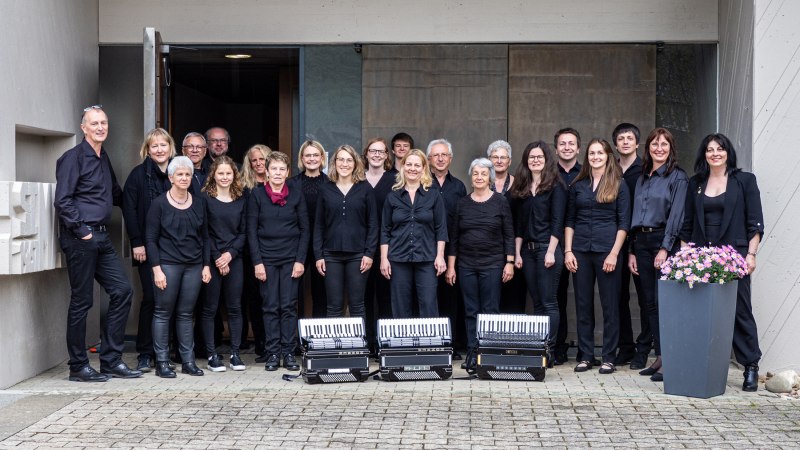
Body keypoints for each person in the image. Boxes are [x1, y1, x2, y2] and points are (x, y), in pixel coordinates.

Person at [54, 105, 141, 382]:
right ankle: (78, 366)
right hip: (81, 238)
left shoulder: (103, 157)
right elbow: (63, 200)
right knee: (82, 302)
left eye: (104, 122)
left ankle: (111, 360)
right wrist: (83, 231)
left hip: (101, 237)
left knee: (122, 290)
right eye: (94, 123)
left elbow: (116, 193)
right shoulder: (73, 158)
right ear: (84, 128)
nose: (100, 127)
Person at [679, 133, 764, 392]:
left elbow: (755, 222)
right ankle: (698, 366)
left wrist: (751, 255)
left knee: (739, 312)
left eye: (720, 149)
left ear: (728, 152)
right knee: (701, 313)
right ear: (703, 154)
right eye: (709, 149)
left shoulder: (745, 181)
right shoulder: (695, 183)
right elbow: (688, 224)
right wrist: (685, 258)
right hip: (702, 257)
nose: (715, 153)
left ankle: (750, 366)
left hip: (734, 257)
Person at [564, 138, 630, 375]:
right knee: (582, 305)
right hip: (580, 250)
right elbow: (569, 220)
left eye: (600, 153)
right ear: (587, 157)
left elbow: (623, 224)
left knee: (610, 305)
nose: (595, 157)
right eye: (592, 153)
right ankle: (586, 355)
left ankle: (609, 357)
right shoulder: (578, 185)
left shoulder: (619, 184)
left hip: (607, 251)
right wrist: (568, 250)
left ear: (608, 156)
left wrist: (614, 253)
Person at [627, 128, 688, 382]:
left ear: (670, 148)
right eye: (655, 144)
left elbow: (677, 216)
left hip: (664, 241)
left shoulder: (678, 177)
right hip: (640, 242)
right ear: (648, 148)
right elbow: (633, 215)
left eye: (664, 144)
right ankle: (660, 357)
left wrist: (665, 248)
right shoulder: (643, 177)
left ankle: (669, 359)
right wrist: (631, 249)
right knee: (650, 304)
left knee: (665, 304)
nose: (659, 148)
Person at [145, 156, 211, 378]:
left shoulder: (200, 202)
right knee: (163, 313)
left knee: (186, 314)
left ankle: (188, 361)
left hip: (193, 266)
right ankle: (162, 362)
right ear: (171, 177)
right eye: (179, 174)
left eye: (188, 174)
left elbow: (205, 237)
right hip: (168, 265)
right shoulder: (159, 204)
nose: (184, 178)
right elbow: (151, 239)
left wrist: (206, 265)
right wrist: (156, 269)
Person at [446, 158, 514, 370]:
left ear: (490, 177)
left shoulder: (500, 201)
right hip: (466, 265)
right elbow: (454, 237)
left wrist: (509, 262)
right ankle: (473, 353)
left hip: (493, 264)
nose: (479, 177)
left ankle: (489, 354)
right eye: (475, 173)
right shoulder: (462, 203)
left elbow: (509, 234)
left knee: (490, 309)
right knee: (470, 310)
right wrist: (451, 266)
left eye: (483, 174)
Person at [247, 151, 309, 371]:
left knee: (288, 306)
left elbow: (304, 229)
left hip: (291, 259)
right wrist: (257, 262)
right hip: (267, 259)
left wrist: (300, 260)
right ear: (266, 170)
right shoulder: (257, 195)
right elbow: (251, 231)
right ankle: (273, 353)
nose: (278, 173)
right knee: (270, 306)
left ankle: (289, 353)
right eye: (274, 168)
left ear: (287, 172)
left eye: (282, 169)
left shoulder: (296, 194)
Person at [508, 141, 568, 366]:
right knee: (537, 304)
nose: (535, 160)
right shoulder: (521, 189)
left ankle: (549, 350)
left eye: (539, 157)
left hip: (547, 249)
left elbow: (557, 221)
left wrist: (551, 251)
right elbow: (519, 225)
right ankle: (539, 349)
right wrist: (517, 253)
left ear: (546, 160)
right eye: (531, 157)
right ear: (526, 161)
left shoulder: (556, 186)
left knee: (549, 302)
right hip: (528, 251)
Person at [122, 127, 175, 372]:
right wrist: (137, 242)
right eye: (154, 146)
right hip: (147, 246)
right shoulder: (137, 175)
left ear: (170, 147)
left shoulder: (179, 172)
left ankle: (165, 351)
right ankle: (145, 352)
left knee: (172, 301)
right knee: (152, 299)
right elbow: (129, 210)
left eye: (163, 145)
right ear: (147, 149)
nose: (159, 149)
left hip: (175, 248)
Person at [380, 149, 447, 318]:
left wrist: (440, 256)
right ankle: (403, 344)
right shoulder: (392, 196)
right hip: (398, 259)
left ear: (424, 168)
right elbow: (385, 230)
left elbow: (441, 228)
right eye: (408, 164)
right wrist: (383, 259)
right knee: (400, 306)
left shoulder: (433, 195)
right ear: (403, 167)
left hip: (426, 259)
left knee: (429, 304)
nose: (412, 168)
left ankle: (430, 343)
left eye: (417, 165)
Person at [314, 145, 378, 318]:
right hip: (331, 254)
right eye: (340, 159)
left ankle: (359, 345)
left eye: (349, 160)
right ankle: (334, 345)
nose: (344, 163)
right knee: (333, 306)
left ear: (355, 163)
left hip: (358, 255)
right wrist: (319, 255)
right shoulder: (325, 189)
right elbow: (319, 225)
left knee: (357, 305)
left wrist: (369, 254)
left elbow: (373, 225)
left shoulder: (365, 189)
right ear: (334, 163)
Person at [201, 156, 247, 372]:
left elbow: (244, 232)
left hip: (234, 259)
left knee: (235, 307)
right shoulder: (205, 199)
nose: (225, 177)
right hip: (211, 260)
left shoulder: (241, 198)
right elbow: (204, 233)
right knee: (210, 308)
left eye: (229, 173)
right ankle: (212, 355)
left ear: (234, 175)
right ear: (214, 175)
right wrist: (218, 257)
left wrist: (230, 255)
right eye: (221, 173)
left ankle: (235, 354)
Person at [611, 122, 651, 369]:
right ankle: (625, 347)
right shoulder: (609, 169)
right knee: (617, 297)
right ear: (615, 144)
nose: (625, 142)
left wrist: (634, 246)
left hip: (638, 243)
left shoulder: (646, 170)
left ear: (637, 143)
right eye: (621, 139)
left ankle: (644, 349)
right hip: (614, 242)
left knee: (645, 298)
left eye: (629, 138)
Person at [427, 139, 468, 359]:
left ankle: (450, 345)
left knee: (451, 298)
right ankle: (432, 343)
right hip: (426, 248)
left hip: (453, 250)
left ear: (450, 158)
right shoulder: (423, 184)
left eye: (444, 155)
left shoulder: (459, 186)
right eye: (436, 155)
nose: (441, 159)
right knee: (429, 298)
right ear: (429, 159)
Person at [362, 138, 397, 347]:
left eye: (380, 152)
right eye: (372, 151)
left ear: (386, 156)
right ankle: (368, 342)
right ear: (366, 154)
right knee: (364, 297)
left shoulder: (395, 179)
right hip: (363, 247)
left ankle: (385, 343)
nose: (376, 155)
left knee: (386, 296)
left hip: (388, 247)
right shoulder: (358, 179)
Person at [553, 127, 582, 364]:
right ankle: (558, 347)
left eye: (571, 143)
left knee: (583, 298)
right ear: (556, 149)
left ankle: (586, 349)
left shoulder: (588, 173)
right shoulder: (548, 174)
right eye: (562, 143)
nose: (567, 147)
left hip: (582, 243)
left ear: (578, 148)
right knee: (557, 297)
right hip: (555, 243)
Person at [240, 144, 271, 360]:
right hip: (250, 250)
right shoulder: (243, 187)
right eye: (254, 160)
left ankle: (276, 343)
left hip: (275, 249)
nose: (259, 163)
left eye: (263, 159)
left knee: (274, 299)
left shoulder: (280, 185)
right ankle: (261, 344)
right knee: (255, 298)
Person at [291, 140, 328, 318]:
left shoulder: (331, 183)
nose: (312, 159)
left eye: (315, 155)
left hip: (323, 244)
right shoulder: (291, 184)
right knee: (293, 292)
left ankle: (317, 340)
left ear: (322, 158)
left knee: (321, 291)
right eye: (308, 155)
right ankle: (296, 338)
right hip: (297, 243)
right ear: (302, 158)